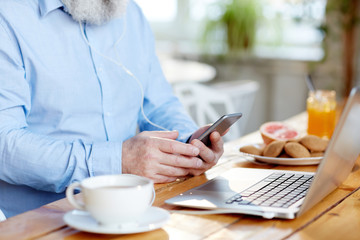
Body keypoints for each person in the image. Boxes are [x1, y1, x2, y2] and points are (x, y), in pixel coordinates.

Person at [0, 0, 225, 218]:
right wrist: (118, 160)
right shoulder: (8, 16)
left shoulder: (132, 14)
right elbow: (4, 144)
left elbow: (160, 104)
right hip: (42, 222)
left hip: (136, 212)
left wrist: (190, 145)